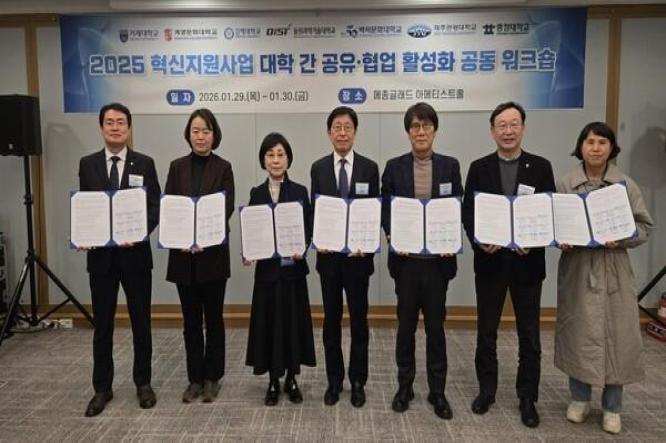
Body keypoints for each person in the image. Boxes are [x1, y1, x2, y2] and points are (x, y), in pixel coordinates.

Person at [554, 122, 654, 435]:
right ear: (580, 146)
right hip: (579, 268)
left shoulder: (625, 185)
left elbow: (645, 227)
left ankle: (612, 406)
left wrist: (622, 237)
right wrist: (560, 239)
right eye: (590, 142)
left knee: (617, 334)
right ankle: (580, 398)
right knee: (578, 331)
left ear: (611, 148)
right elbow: (554, 224)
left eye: (602, 142)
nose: (595, 148)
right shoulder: (566, 183)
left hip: (613, 268)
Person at [461, 101, 555, 428]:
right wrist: (478, 240)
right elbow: (468, 212)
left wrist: (535, 240)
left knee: (529, 334)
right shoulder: (479, 167)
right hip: (490, 262)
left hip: (528, 264)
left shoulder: (540, 167)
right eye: (502, 125)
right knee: (486, 332)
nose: (508, 131)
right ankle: (486, 390)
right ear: (492, 131)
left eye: (514, 124)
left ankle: (527, 396)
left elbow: (548, 211)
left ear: (523, 128)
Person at [381, 102, 462, 420]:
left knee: (435, 329)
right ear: (408, 132)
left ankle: (437, 391)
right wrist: (392, 236)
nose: (421, 131)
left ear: (435, 130)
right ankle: (405, 386)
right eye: (415, 126)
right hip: (407, 263)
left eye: (426, 125)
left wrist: (450, 239)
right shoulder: (394, 167)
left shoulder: (450, 166)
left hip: (437, 264)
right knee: (405, 329)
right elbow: (385, 208)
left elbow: (457, 207)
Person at [79, 102, 160, 417]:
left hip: (135, 256)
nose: (115, 127)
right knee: (102, 325)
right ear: (101, 127)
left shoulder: (145, 163)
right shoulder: (88, 164)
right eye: (109, 122)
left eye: (121, 122)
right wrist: (84, 233)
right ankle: (102, 387)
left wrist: (139, 232)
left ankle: (143, 383)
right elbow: (86, 207)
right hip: (101, 260)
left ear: (129, 127)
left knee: (141, 323)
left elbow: (155, 206)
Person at [310, 106, 379, 407]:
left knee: (359, 321)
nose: (342, 132)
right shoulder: (318, 168)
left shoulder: (369, 168)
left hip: (358, 260)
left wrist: (368, 240)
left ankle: (358, 381)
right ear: (329, 133)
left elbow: (374, 211)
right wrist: (318, 238)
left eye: (347, 127)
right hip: (329, 261)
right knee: (331, 321)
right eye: (336, 127)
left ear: (355, 132)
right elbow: (315, 211)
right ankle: (334, 380)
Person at [164, 108, 235, 403]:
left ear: (214, 135)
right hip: (183, 258)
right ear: (188, 134)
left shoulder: (224, 167)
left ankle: (212, 377)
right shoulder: (176, 167)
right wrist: (179, 236)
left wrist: (204, 237)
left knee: (214, 319)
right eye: (195, 131)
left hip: (212, 255)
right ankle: (194, 378)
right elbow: (169, 207)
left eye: (206, 131)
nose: (201, 136)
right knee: (190, 321)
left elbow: (226, 207)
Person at [244, 132, 316, 406]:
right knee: (269, 326)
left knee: (292, 325)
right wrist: (249, 253)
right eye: (270, 155)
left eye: (280, 154)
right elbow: (252, 231)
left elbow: (308, 227)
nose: (276, 160)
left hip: (292, 273)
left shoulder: (299, 192)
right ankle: (273, 379)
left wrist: (303, 246)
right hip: (267, 275)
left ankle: (292, 378)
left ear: (288, 159)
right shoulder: (256, 193)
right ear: (263, 160)